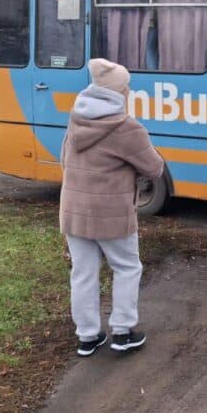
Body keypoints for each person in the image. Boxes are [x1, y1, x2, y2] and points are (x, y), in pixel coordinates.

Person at [60, 58, 164, 357]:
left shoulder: (76, 118)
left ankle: (87, 337)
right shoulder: (126, 127)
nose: (129, 90)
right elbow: (155, 168)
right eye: (126, 86)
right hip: (112, 214)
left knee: (83, 273)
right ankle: (122, 331)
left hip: (74, 211)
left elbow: (64, 160)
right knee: (127, 267)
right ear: (117, 91)